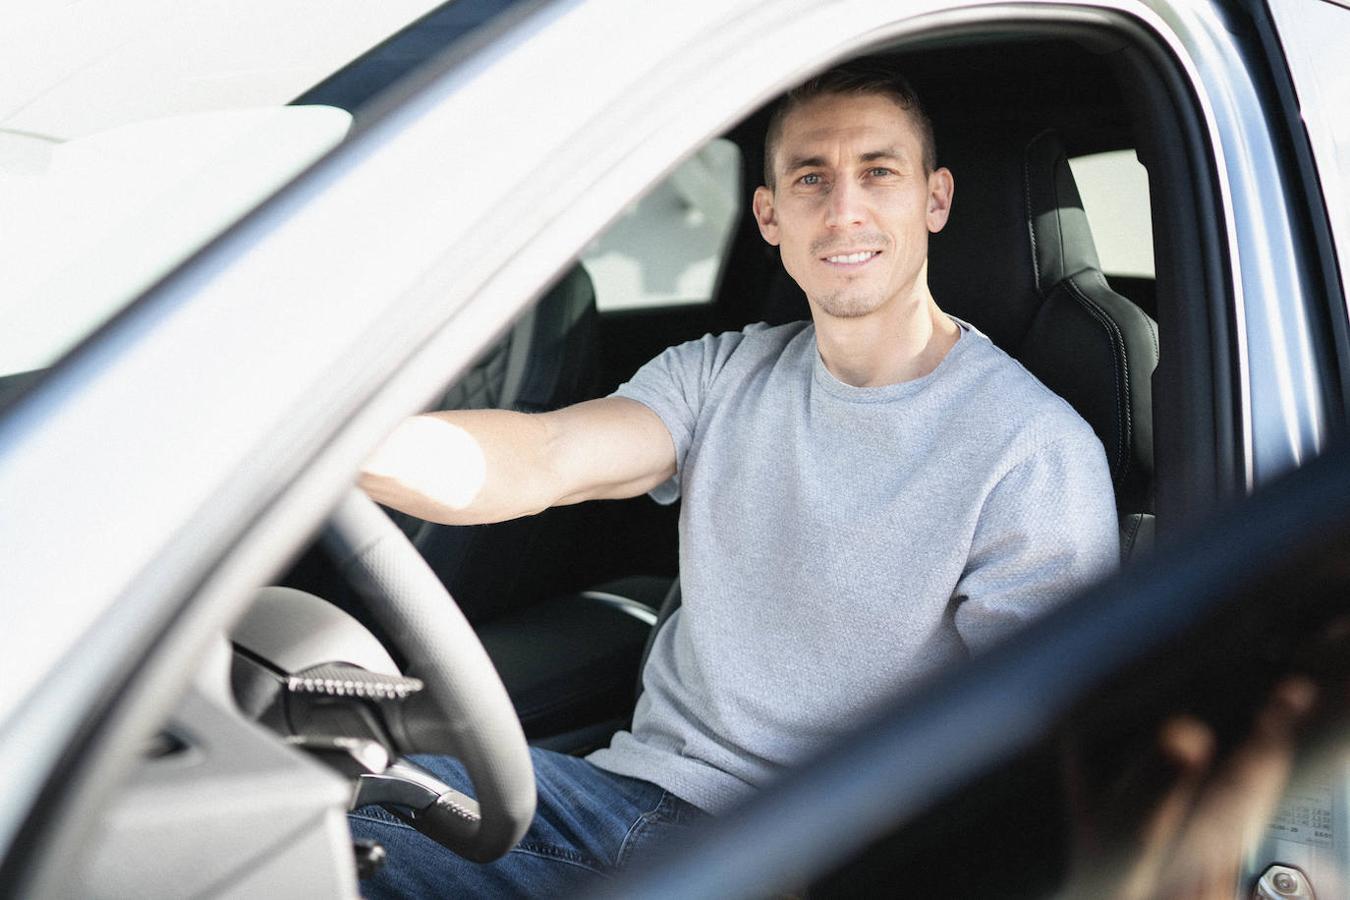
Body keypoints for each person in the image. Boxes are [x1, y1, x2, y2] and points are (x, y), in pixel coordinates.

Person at [350, 61, 1118, 897]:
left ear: (934, 200)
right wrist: (330, 450)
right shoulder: (722, 374)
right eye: (810, 178)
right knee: (318, 811)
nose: (845, 210)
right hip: (625, 803)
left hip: (829, 851)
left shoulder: (1031, 450)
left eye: (879, 173)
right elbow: (542, 458)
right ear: (769, 215)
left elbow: (1042, 750)